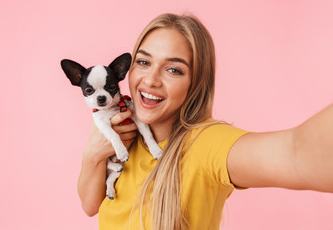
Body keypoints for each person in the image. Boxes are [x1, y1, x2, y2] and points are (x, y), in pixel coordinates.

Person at [77, 13, 333, 230]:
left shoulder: (206, 144)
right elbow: (90, 206)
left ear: (195, 83)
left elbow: (297, 152)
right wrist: (93, 154)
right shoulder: (121, 132)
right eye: (143, 62)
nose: (151, 80)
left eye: (173, 69)